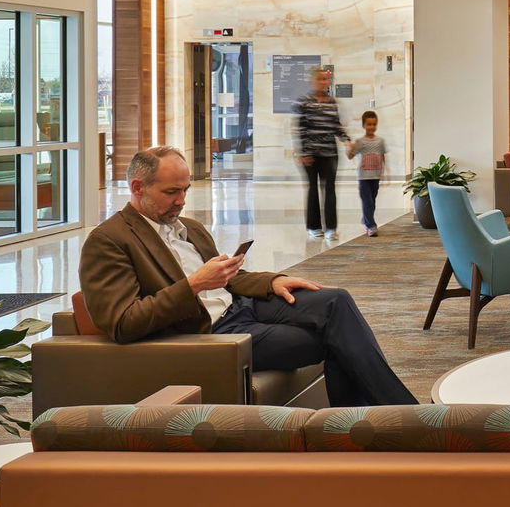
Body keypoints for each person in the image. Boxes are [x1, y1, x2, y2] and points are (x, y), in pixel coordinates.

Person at [79, 146, 417, 407]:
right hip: (208, 330)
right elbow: (123, 323)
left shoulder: (189, 228)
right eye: (171, 192)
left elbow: (226, 277)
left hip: (243, 306)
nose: (181, 201)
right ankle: (393, 418)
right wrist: (195, 284)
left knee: (335, 301)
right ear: (138, 187)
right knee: (332, 339)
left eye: (185, 189)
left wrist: (271, 282)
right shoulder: (109, 240)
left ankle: (366, 423)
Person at [295, 65, 346, 240]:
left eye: (326, 79)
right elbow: (301, 129)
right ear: (313, 81)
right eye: (321, 79)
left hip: (330, 154)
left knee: (330, 190)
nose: (324, 82)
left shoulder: (332, 103)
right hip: (311, 155)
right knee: (312, 190)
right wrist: (303, 153)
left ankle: (331, 227)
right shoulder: (304, 102)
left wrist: (347, 140)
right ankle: (313, 226)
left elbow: (336, 126)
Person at [347, 110, 386, 237]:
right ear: (363, 125)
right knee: (367, 201)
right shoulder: (360, 142)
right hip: (363, 177)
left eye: (374, 124)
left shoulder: (380, 141)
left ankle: (366, 219)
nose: (372, 127)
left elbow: (382, 156)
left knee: (372, 201)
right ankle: (371, 226)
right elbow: (350, 156)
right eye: (369, 124)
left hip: (375, 176)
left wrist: (385, 172)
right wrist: (350, 147)